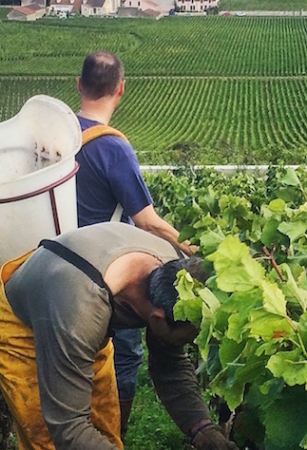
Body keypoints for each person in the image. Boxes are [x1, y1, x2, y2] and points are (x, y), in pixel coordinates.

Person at [0, 223, 237, 450]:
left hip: (75, 309)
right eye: (185, 339)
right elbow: (68, 428)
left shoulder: (180, 277)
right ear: (157, 319)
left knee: (104, 428)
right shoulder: (80, 313)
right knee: (46, 439)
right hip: (24, 330)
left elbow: (169, 365)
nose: (189, 344)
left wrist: (202, 428)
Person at [74, 50, 197, 439]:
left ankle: (77, 427)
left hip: (64, 263)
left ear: (79, 85)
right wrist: (190, 249)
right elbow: (146, 221)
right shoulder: (113, 148)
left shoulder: (58, 138)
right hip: (111, 270)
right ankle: (114, 434)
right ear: (121, 89)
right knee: (124, 357)